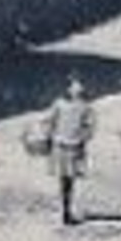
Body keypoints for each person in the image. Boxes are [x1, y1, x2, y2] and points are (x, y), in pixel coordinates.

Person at [42, 74, 96, 225]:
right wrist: (49, 137)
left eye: (79, 87)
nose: (76, 90)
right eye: (73, 86)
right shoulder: (59, 104)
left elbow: (90, 127)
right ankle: (65, 210)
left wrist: (82, 138)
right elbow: (49, 121)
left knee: (69, 180)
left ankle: (67, 210)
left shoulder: (85, 107)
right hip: (62, 146)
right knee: (64, 179)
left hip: (73, 147)